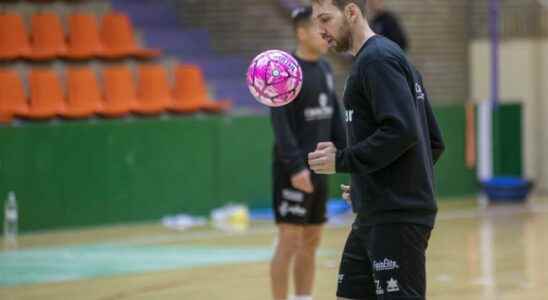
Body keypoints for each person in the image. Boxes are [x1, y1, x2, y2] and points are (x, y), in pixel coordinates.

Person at [308, 1, 445, 299]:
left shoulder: (377, 61)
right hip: (375, 211)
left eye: (325, 19)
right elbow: (433, 141)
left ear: (352, 12)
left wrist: (342, 160)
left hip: (396, 217)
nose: (321, 31)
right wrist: (368, 182)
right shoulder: (386, 58)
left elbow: (402, 131)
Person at [270, 6, 346, 300]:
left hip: (321, 168)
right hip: (294, 172)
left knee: (312, 239)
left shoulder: (325, 69)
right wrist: (295, 168)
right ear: (302, 33)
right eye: (318, 27)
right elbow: (280, 125)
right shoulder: (285, 71)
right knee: (289, 240)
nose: (326, 33)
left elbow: (334, 117)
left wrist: (349, 156)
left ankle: (304, 297)